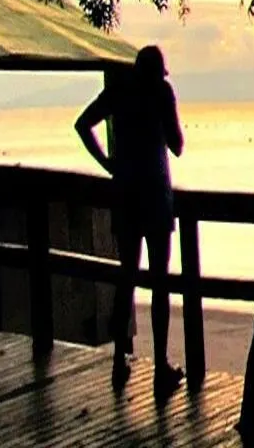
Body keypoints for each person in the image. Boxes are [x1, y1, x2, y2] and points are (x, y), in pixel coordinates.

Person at [75, 45, 185, 395]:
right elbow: (178, 145)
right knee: (159, 283)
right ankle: (160, 368)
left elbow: (82, 125)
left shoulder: (119, 90)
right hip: (155, 196)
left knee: (126, 278)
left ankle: (118, 360)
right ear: (159, 72)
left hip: (125, 196)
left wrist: (109, 164)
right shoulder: (161, 92)